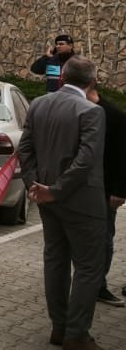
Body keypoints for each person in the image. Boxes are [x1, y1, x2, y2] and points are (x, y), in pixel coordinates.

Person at [19, 56, 108, 350]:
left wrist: (35, 186)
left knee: (55, 261)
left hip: (46, 199)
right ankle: (76, 334)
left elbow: (25, 149)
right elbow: (86, 161)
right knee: (89, 267)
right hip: (81, 202)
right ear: (92, 81)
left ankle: (59, 328)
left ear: (62, 77)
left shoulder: (39, 104)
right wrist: (55, 190)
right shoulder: (92, 112)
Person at [88, 87, 126, 307]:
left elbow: (122, 155)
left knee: (103, 238)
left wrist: (120, 190)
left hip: (105, 189)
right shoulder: (74, 110)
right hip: (77, 189)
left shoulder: (114, 116)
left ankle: (98, 285)